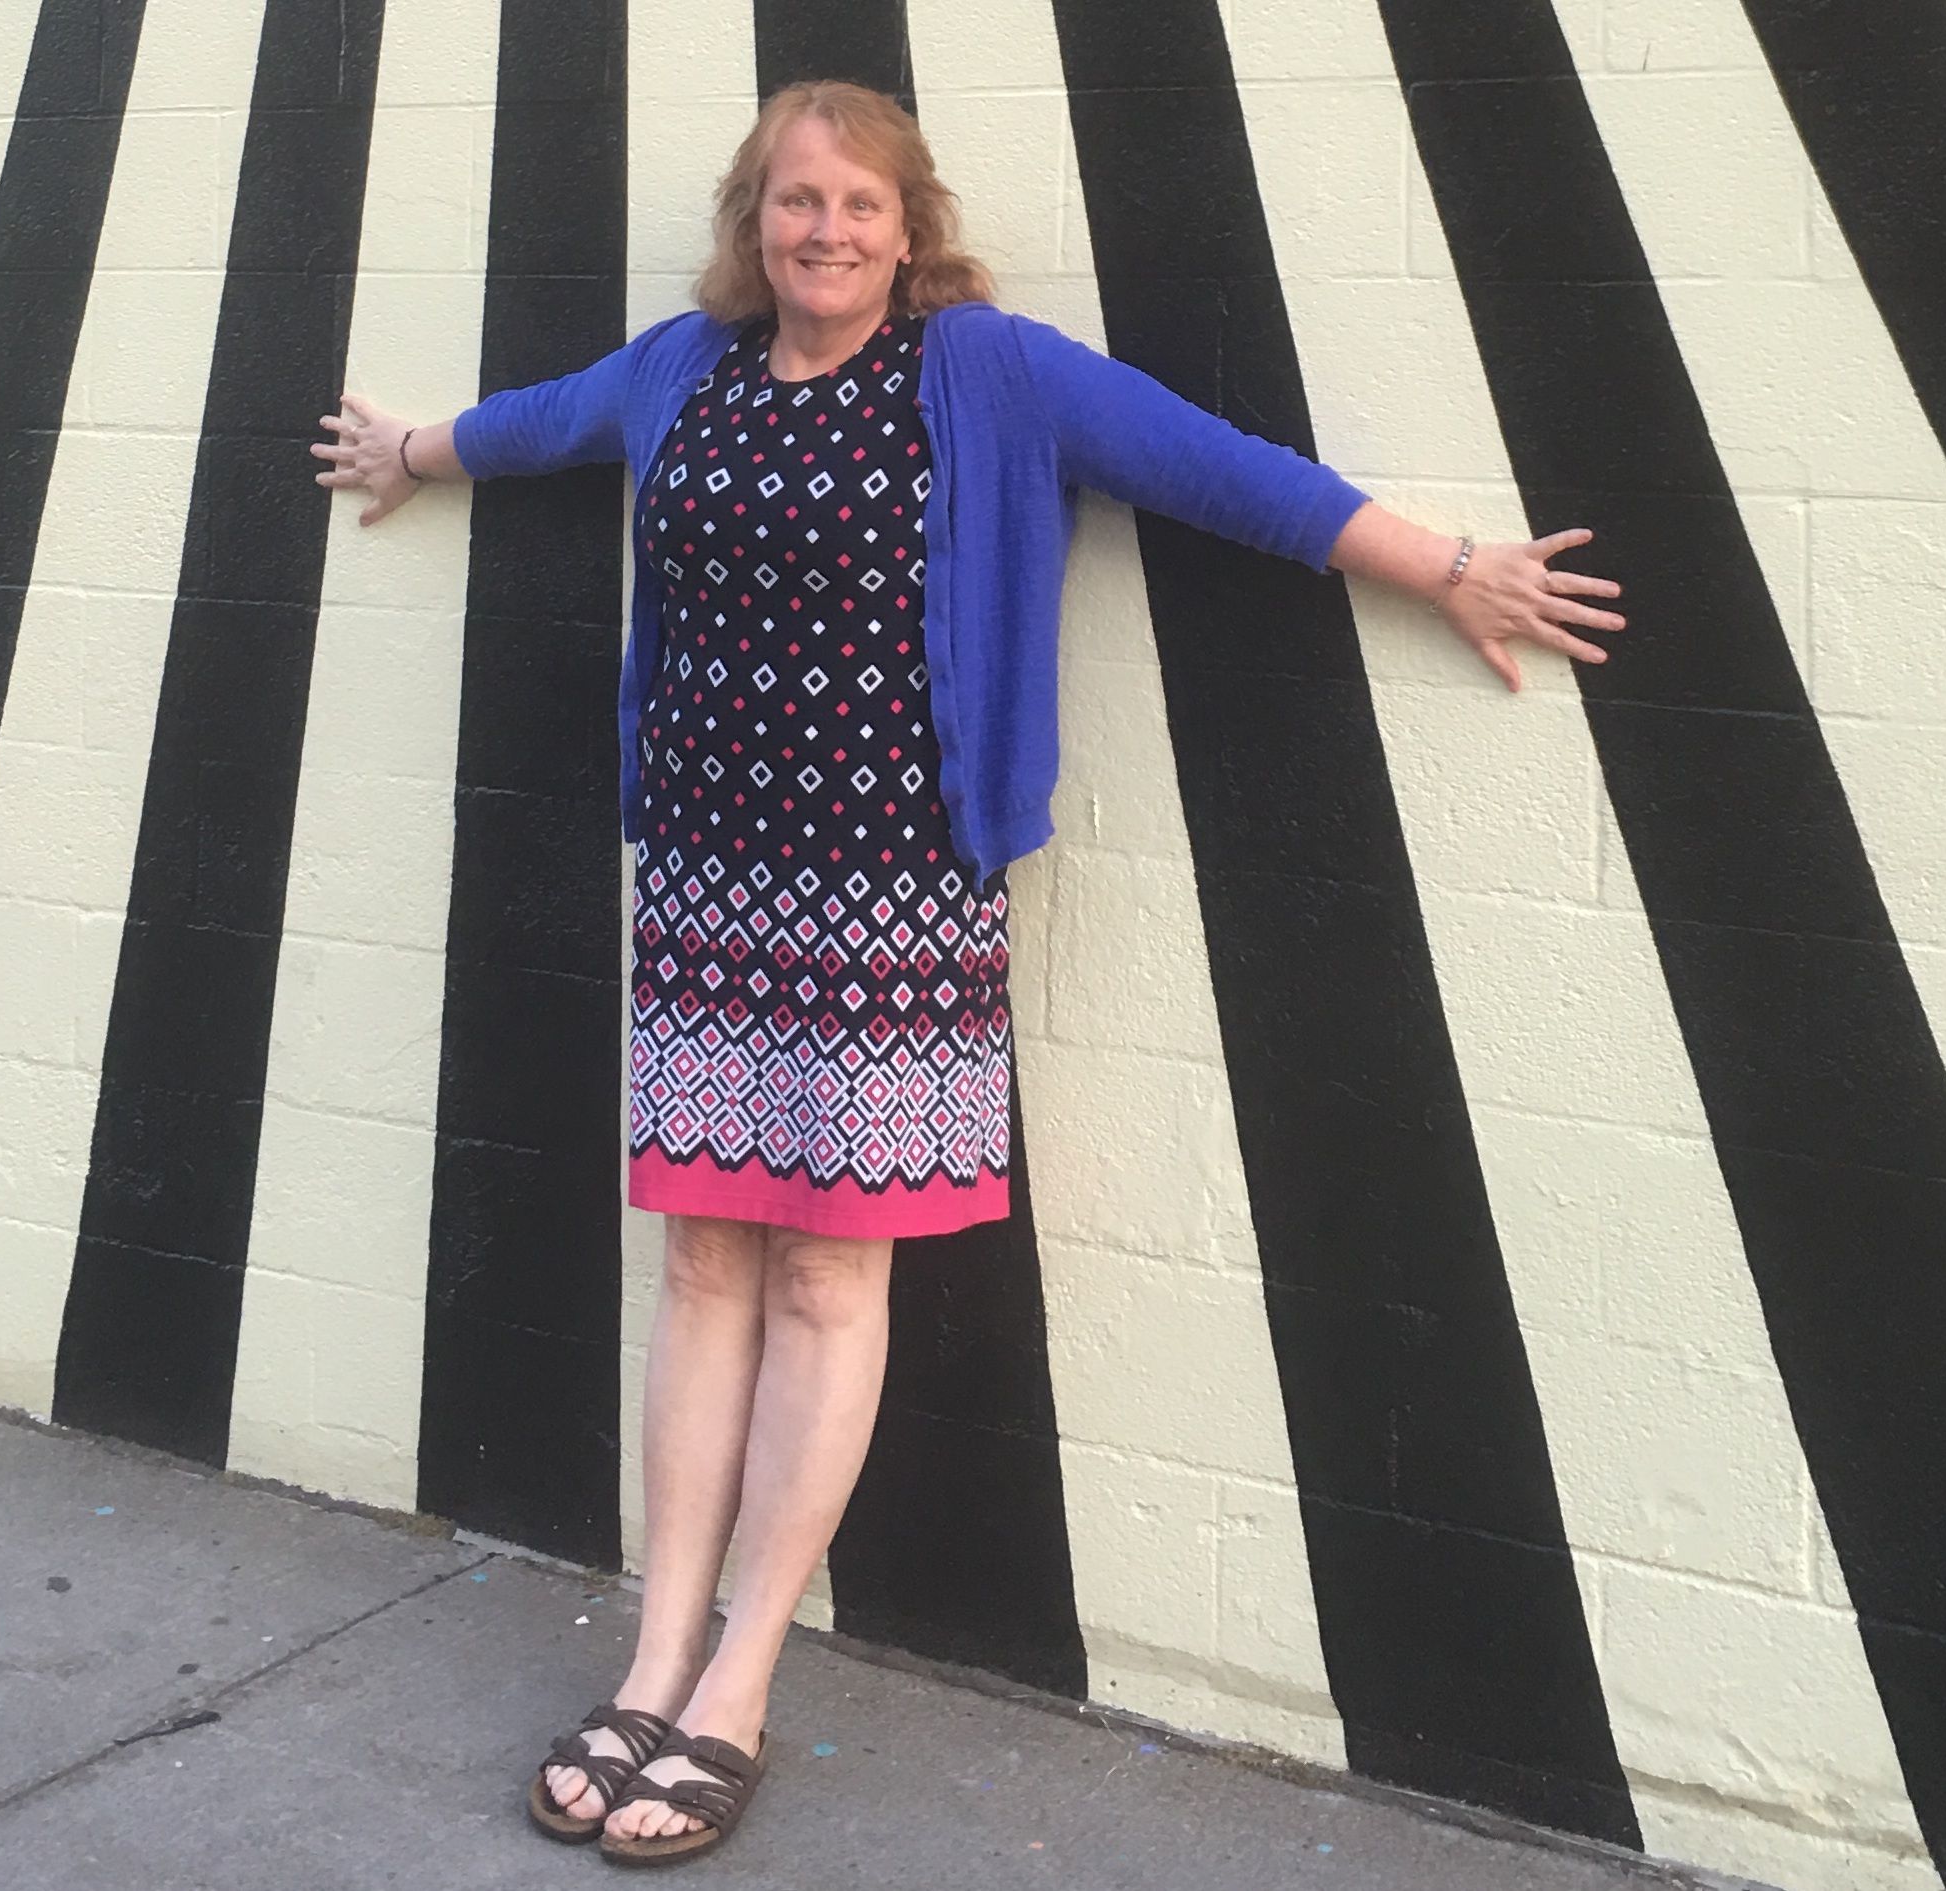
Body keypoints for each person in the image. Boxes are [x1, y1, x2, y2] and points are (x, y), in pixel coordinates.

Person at [312, 79, 1622, 1868]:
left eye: (859, 205)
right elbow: (537, 426)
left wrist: (1447, 565)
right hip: (704, 887)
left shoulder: (989, 372)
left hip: (891, 895)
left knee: (827, 1292)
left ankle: (737, 1688)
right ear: (752, 223)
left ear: (909, 227)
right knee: (705, 1264)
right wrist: (412, 452)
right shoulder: (677, 371)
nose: (825, 232)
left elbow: (1222, 473)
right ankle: (650, 1660)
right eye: (794, 203)